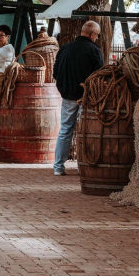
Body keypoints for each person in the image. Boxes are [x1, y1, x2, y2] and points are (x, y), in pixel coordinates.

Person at [52, 21, 105, 176]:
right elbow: (99, 76)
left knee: (65, 130)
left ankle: (58, 167)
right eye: (97, 35)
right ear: (92, 34)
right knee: (86, 131)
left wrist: (64, 86)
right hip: (86, 97)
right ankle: (83, 165)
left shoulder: (65, 48)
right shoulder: (94, 50)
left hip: (67, 95)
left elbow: (56, 71)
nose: (97, 38)